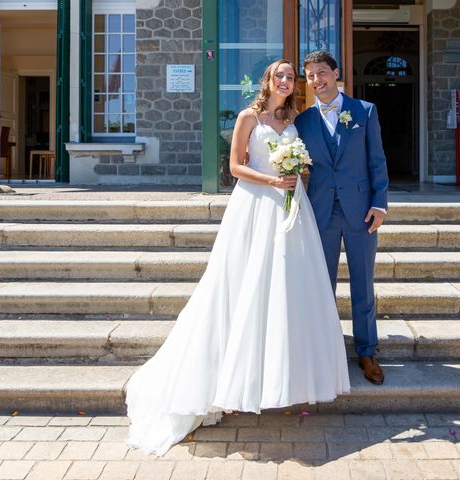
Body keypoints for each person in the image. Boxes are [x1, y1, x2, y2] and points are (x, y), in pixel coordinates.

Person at [125, 59, 350, 456]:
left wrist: (299, 176)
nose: (285, 80)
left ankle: (286, 375)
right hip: (255, 205)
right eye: (279, 74)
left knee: (288, 286)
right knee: (246, 286)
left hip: (291, 207)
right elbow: (234, 167)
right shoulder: (249, 116)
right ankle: (235, 377)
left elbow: (308, 164)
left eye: (290, 76)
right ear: (267, 80)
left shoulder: (296, 117)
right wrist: (273, 179)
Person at [295, 51, 389, 385]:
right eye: (310, 76)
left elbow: (377, 160)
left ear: (336, 73)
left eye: (322, 72)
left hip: (362, 210)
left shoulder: (364, 111)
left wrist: (380, 204)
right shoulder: (303, 121)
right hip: (322, 211)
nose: (316, 80)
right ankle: (327, 351)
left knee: (363, 283)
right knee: (324, 285)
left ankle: (367, 351)